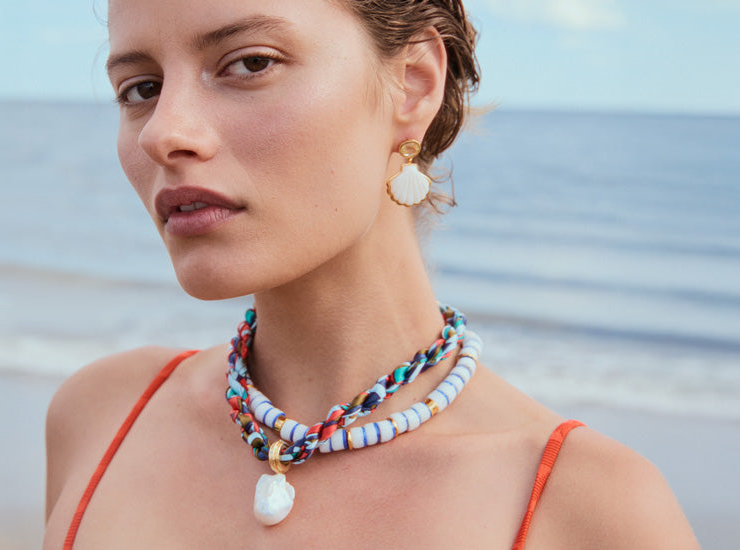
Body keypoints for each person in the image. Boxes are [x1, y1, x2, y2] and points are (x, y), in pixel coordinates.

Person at [42, 0, 699, 548]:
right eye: (142, 88)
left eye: (249, 63)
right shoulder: (102, 416)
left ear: (412, 84)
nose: (164, 132)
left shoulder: (588, 508)